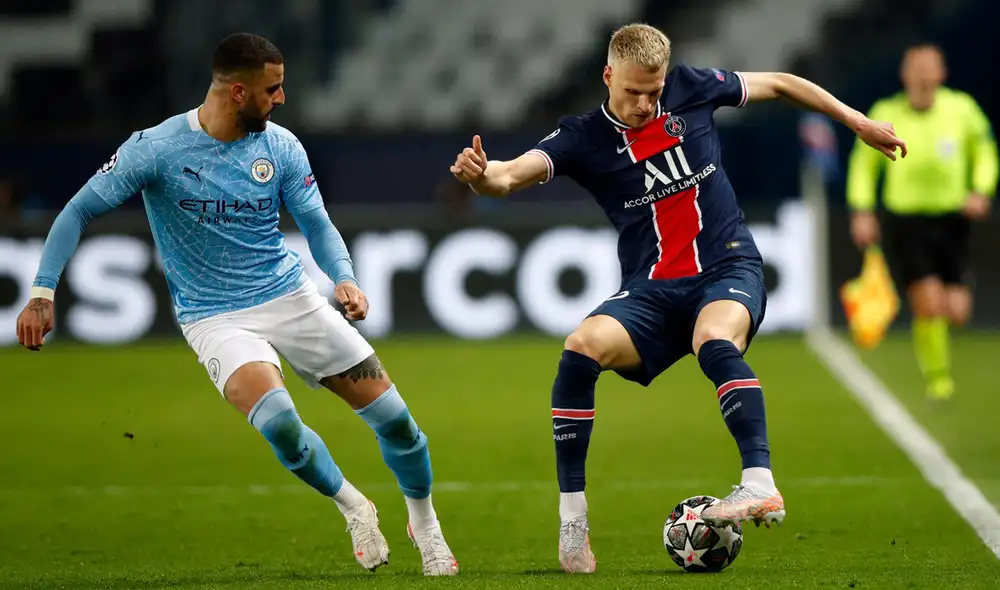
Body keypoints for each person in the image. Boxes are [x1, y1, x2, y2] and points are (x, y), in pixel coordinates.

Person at [450, 23, 906, 574]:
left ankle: (758, 482)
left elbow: (784, 84)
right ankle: (573, 520)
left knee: (713, 336)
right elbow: (505, 177)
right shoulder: (582, 137)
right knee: (580, 346)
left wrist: (857, 122)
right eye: (633, 92)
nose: (645, 104)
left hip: (727, 264)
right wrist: (479, 178)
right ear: (607, 75)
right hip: (652, 288)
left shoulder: (692, 88)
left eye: (654, 91)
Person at [15, 33, 458, 577]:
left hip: (290, 297)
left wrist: (344, 278)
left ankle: (426, 525)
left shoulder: (281, 147)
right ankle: (354, 506)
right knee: (280, 424)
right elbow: (76, 212)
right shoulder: (155, 148)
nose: (282, 99)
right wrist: (41, 292)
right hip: (213, 315)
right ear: (239, 92)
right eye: (274, 89)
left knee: (395, 421)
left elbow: (317, 224)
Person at [846, 43, 997, 400]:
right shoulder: (886, 113)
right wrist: (862, 210)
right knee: (928, 302)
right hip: (907, 221)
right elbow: (863, 166)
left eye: (931, 67)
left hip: (953, 219)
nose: (924, 74)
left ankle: (940, 353)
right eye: (917, 67)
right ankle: (939, 380)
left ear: (942, 73)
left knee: (957, 310)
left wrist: (982, 189)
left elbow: (986, 151)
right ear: (905, 74)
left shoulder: (962, 110)